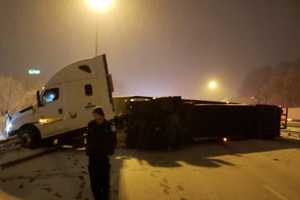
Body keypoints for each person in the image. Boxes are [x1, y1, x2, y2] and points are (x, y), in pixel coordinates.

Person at [87, 107, 117, 200]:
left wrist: (110, 150)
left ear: (101, 115)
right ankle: (97, 197)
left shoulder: (110, 125)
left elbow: (113, 139)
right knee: (94, 179)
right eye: (94, 115)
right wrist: (88, 150)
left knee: (104, 179)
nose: (95, 116)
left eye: (96, 115)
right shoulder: (91, 124)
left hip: (103, 156)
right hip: (93, 155)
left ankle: (105, 197)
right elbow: (88, 138)